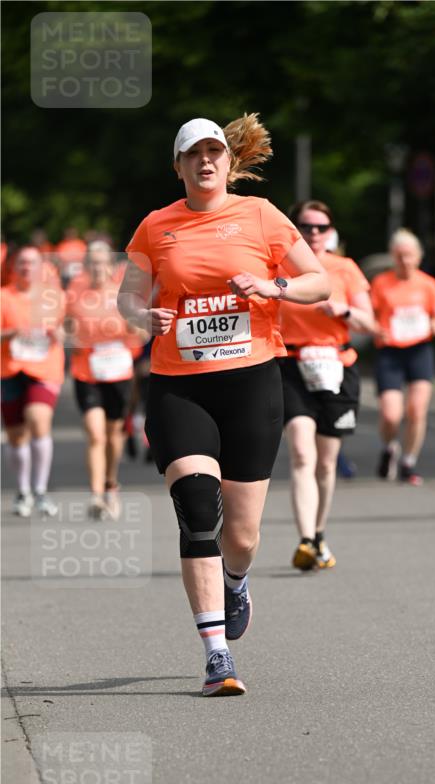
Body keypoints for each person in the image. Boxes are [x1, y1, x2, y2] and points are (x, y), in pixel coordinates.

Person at [117, 115, 330, 696]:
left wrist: (276, 288)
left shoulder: (261, 215)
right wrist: (144, 317)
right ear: (179, 165)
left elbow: (319, 282)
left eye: (215, 152)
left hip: (252, 382)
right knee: (196, 505)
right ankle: (217, 655)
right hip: (179, 384)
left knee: (242, 534)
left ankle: (236, 581)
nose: (205, 162)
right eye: (194, 154)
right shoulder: (157, 227)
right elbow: (128, 297)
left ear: (229, 163)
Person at [277, 200, 376, 570]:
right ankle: (305, 540)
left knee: (326, 462)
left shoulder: (345, 269)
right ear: (295, 229)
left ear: (330, 231)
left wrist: (344, 311)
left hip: (337, 366)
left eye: (320, 227)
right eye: (306, 226)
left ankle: (318, 534)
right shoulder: (281, 267)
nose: (314, 234)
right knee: (302, 453)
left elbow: (372, 324)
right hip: (291, 365)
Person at [67, 241, 146, 519]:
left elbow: (144, 333)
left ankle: (111, 483)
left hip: (119, 372)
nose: (97, 268)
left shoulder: (123, 295)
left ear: (111, 266)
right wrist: (69, 338)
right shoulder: (75, 294)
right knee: (95, 433)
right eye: (92, 262)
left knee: (114, 435)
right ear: (86, 266)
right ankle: (96, 495)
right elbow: (61, 326)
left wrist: (133, 326)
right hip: (86, 371)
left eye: (102, 262)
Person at [371, 229, 435, 485]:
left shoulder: (428, 284)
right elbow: (368, 314)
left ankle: (408, 461)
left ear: (419, 256)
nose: (405, 260)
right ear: (393, 256)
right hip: (390, 351)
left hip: (419, 351)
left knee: (417, 410)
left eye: (410, 255)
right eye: (400, 255)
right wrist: (375, 329)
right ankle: (389, 447)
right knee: (391, 414)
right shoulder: (381, 283)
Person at [1, 246, 65, 516]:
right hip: (10, 368)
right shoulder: (4, 297)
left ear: (42, 268)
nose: (27, 268)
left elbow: (67, 329)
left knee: (38, 419)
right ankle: (23, 491)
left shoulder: (55, 298)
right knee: (16, 435)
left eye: (33, 263)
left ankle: (40, 491)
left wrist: (59, 333)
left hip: (45, 368)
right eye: (22, 263)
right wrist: (12, 333)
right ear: (14, 268)